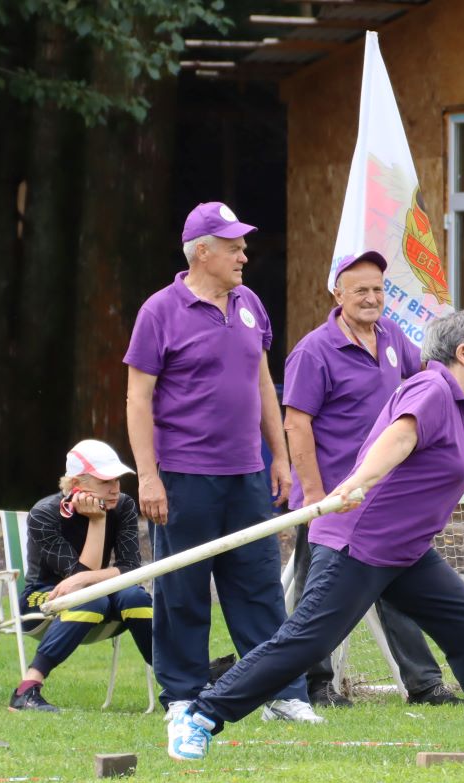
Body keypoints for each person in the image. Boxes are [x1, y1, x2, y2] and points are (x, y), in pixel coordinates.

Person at [165, 309, 464, 764]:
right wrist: (358, 482)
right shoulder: (430, 389)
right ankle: (200, 716)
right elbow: (398, 437)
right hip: (361, 543)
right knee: (307, 641)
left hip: (405, 551)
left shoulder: (450, 395)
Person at [124, 201, 320, 727]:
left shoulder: (250, 303)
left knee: (257, 585)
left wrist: (278, 457)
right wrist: (147, 475)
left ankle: (282, 694)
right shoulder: (158, 311)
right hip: (183, 476)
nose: (244, 255)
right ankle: (183, 698)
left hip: (247, 474)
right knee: (182, 588)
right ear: (202, 252)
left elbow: (261, 384)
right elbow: (137, 401)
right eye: (233, 247)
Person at [284, 249, 464, 708]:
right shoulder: (313, 350)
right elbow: (296, 425)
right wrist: (316, 498)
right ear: (337, 292)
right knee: (317, 596)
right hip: (332, 502)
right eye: (360, 289)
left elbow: (427, 379)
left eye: (379, 289)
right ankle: (314, 684)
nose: (371, 298)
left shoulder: (391, 336)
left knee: (397, 585)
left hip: (384, 496)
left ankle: (424, 685)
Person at [11, 440, 152, 712]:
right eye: (104, 482)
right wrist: (97, 521)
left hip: (96, 590)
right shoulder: (44, 514)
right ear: (77, 484)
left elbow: (132, 569)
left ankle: (183, 685)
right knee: (92, 601)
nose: (115, 489)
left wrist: (81, 580)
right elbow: (80, 575)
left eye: (117, 480)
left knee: (135, 596)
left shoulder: (123, 506)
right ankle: (26, 690)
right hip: (41, 598)